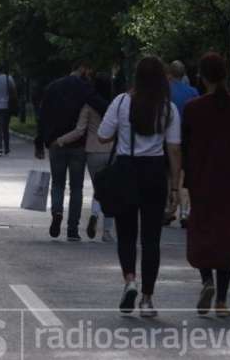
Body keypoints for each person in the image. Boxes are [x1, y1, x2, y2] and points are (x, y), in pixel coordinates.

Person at [97, 56, 182, 318]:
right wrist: (175, 188)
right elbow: (174, 149)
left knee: (126, 234)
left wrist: (122, 130)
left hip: (126, 170)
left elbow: (102, 135)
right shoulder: (168, 109)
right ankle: (147, 299)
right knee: (151, 239)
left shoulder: (121, 102)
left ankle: (130, 280)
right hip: (154, 173)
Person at [183, 53, 230, 319]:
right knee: (227, 236)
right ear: (225, 75)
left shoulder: (193, 108)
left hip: (203, 179)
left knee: (203, 232)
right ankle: (222, 301)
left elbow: (187, 144)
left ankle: (207, 281)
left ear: (201, 77)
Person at [36, 61, 109, 241]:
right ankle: (72, 230)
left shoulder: (52, 87)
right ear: (82, 68)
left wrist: (40, 142)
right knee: (76, 188)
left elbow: (42, 115)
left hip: (55, 143)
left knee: (57, 184)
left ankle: (57, 212)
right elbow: (102, 107)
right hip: (78, 146)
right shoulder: (85, 88)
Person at [52, 73, 115, 242]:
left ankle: (95, 214)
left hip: (93, 151)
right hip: (112, 152)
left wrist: (60, 140)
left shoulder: (88, 106)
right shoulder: (114, 105)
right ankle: (106, 232)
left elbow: (79, 131)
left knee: (98, 188)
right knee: (110, 191)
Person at [166, 60, 200, 228]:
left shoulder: (165, 91)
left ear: (170, 73)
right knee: (185, 175)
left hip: (168, 138)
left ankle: (169, 209)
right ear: (184, 73)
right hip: (188, 138)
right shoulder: (193, 92)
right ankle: (185, 212)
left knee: (170, 173)